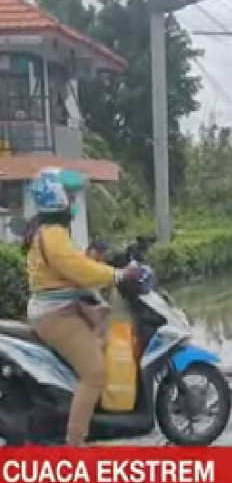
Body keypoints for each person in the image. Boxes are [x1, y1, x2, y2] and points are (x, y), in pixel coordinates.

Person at [23, 166, 141, 446]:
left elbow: (82, 264)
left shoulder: (55, 233)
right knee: (95, 372)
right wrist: (116, 274)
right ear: (57, 198)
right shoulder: (52, 236)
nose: (74, 201)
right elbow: (79, 269)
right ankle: (74, 446)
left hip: (65, 307)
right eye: (70, 194)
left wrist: (110, 269)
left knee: (104, 324)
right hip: (55, 315)